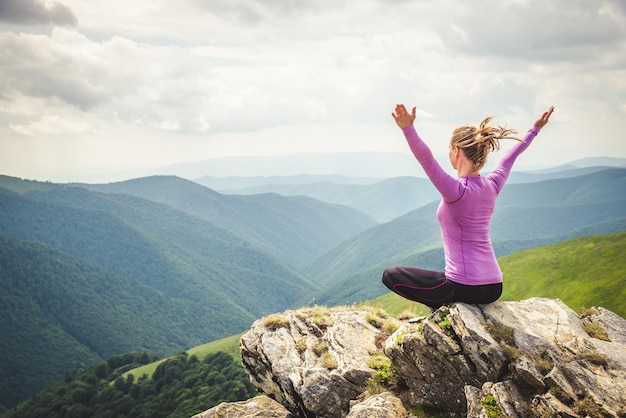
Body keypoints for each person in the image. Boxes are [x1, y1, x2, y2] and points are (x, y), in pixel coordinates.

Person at [382, 104, 554, 309]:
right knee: (435, 278)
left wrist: (408, 129)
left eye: (449, 150)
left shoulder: (456, 191)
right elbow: (510, 157)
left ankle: (442, 307)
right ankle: (445, 306)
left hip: (463, 286)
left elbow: (426, 159)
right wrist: (535, 129)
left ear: (456, 151)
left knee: (390, 275)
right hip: (494, 286)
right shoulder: (492, 185)